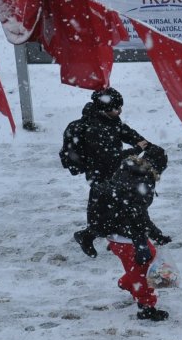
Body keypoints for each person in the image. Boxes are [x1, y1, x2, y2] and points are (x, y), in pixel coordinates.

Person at [59, 87, 150, 258]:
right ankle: (87, 236)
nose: (120, 111)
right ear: (104, 109)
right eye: (117, 108)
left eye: (120, 107)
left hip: (113, 173)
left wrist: (144, 143)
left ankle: (114, 239)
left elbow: (124, 131)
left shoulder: (109, 119)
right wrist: (137, 150)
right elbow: (112, 158)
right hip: (100, 174)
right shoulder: (94, 128)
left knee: (118, 208)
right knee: (105, 212)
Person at [87, 145, 172, 321]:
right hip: (127, 236)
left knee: (141, 263)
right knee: (146, 269)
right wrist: (142, 242)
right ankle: (146, 307)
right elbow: (137, 215)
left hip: (114, 233)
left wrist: (155, 235)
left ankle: (126, 283)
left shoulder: (126, 170)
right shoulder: (144, 181)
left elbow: (131, 210)